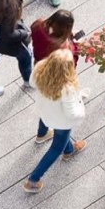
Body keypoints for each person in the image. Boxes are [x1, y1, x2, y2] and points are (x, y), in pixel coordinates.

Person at [22, 51, 88, 193]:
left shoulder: (40, 68)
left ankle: (67, 149)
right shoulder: (66, 88)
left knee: (58, 137)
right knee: (56, 148)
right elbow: (73, 114)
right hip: (61, 122)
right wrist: (81, 106)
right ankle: (33, 180)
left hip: (45, 111)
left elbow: (32, 83)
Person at [31, 9, 81, 145]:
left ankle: (43, 134)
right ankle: (67, 148)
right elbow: (71, 64)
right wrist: (74, 44)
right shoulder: (64, 47)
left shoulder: (38, 25)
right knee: (57, 108)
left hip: (39, 71)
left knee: (48, 105)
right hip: (56, 79)